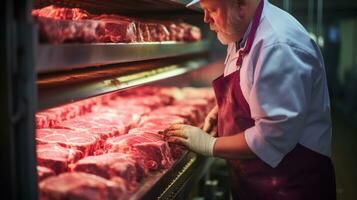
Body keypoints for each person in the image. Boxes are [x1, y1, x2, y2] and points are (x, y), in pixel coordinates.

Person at [164, 0, 336, 199]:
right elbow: (252, 86)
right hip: (256, 182)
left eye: (211, 10)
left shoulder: (278, 46)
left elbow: (272, 137)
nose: (205, 19)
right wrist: (223, 109)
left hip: (290, 186)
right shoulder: (239, 31)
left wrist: (210, 145)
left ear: (241, 5)